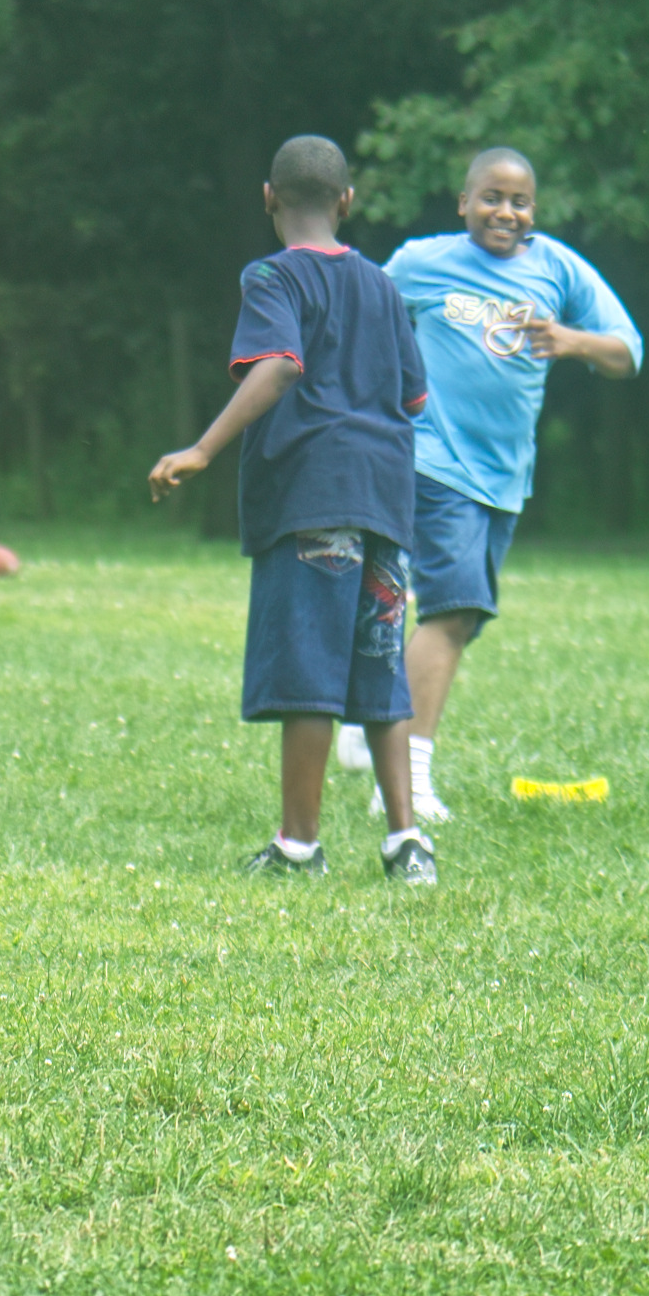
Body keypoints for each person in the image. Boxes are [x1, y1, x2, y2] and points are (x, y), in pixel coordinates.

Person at [149, 135, 434, 886]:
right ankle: (407, 843)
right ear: (347, 202)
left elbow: (278, 365)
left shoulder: (272, 275)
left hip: (313, 495)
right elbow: (414, 397)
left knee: (309, 671)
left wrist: (202, 449)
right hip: (384, 497)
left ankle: (299, 848)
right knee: (379, 664)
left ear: (269, 199)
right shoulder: (382, 286)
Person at [338, 148, 642, 821]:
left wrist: (571, 341)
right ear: (463, 203)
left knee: (462, 619)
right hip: (432, 461)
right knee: (452, 611)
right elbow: (361, 318)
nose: (506, 212)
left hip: (504, 478)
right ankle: (407, 781)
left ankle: (365, 714)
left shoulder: (559, 269)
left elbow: (628, 351)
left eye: (520, 202)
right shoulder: (422, 263)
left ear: (535, 210)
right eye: (491, 198)